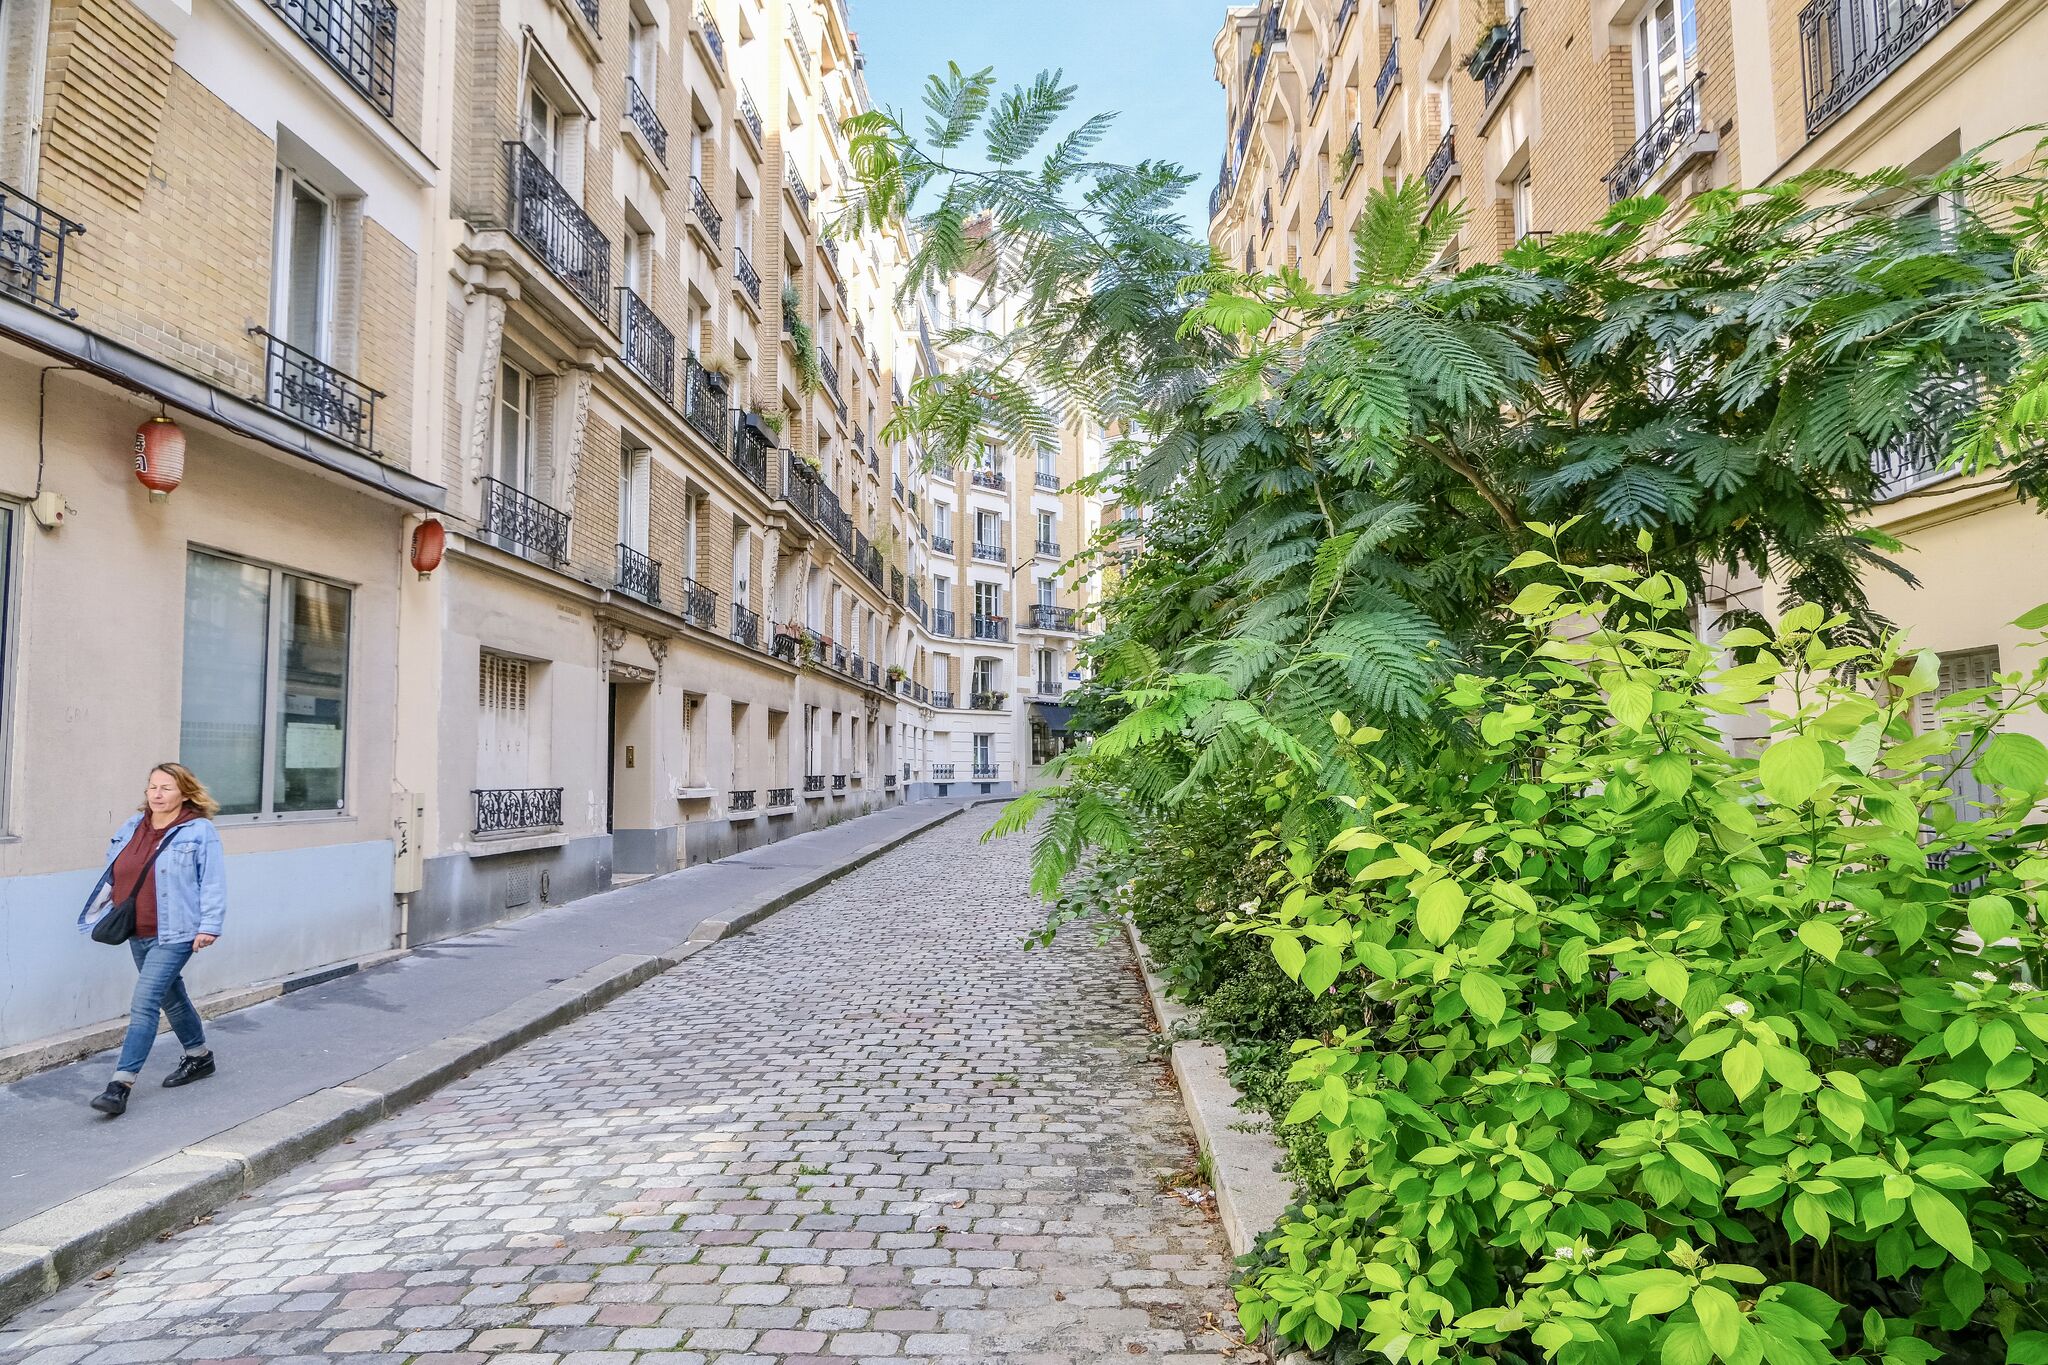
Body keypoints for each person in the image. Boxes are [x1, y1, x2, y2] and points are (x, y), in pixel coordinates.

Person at [76, 763, 227, 1117]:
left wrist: (210, 925)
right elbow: (115, 870)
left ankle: (120, 1085)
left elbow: (213, 881)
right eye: (152, 787)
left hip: (176, 932)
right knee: (171, 997)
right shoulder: (132, 826)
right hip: (136, 929)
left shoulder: (198, 831)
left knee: (144, 1003)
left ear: (185, 793)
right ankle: (199, 1057)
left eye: (166, 788)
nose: (157, 794)